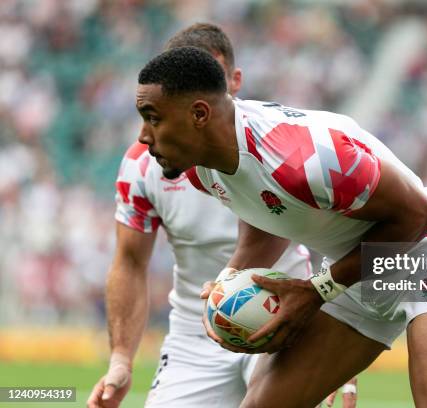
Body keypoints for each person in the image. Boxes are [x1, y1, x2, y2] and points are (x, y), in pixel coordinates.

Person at [135, 46, 427, 407]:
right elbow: (266, 214)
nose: (144, 135)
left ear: (198, 114)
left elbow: (418, 216)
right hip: (354, 268)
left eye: (153, 117)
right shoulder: (201, 170)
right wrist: (230, 280)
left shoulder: (304, 158)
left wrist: (319, 290)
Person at [86, 24, 328, 408]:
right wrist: (121, 360)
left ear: (234, 80)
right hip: (193, 334)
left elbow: (364, 228)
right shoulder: (141, 164)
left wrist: (337, 350)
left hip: (280, 316)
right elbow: (130, 262)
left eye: (213, 79)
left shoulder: (275, 145)